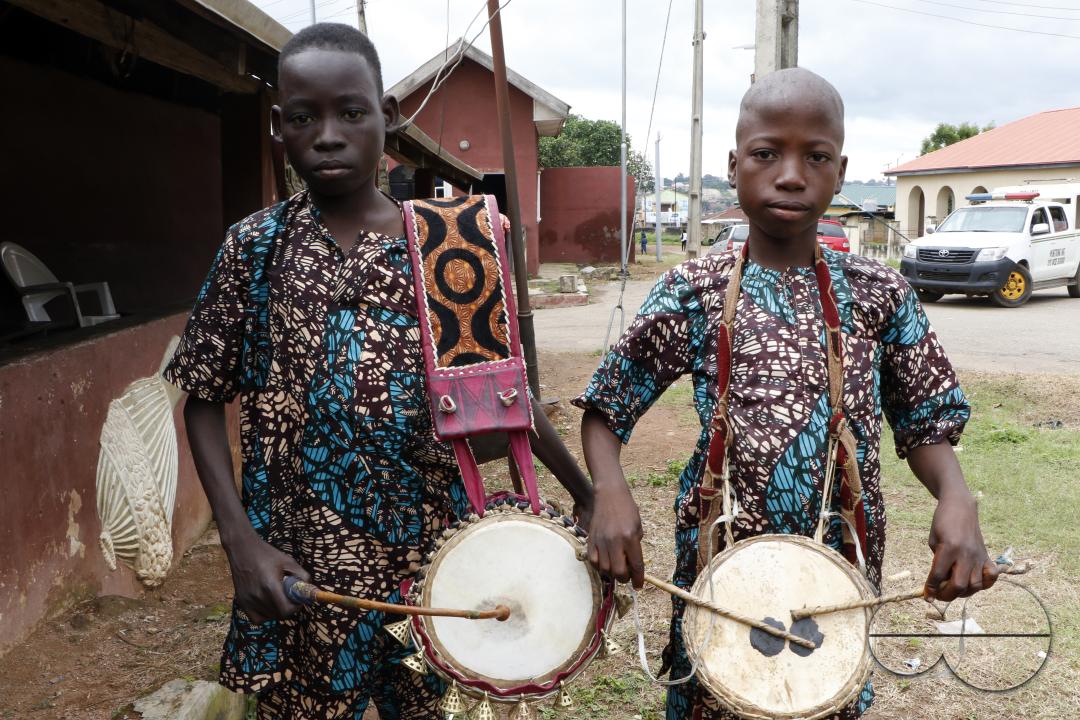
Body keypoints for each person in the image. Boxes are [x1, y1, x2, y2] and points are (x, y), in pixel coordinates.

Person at [165, 23, 593, 720]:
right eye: (304, 117)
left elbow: (505, 397)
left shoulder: (452, 247)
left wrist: (585, 489)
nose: (327, 134)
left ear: (388, 117)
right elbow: (202, 402)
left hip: (432, 567)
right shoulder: (254, 249)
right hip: (298, 573)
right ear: (278, 127)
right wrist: (241, 546)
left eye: (351, 113)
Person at [575, 68, 998, 719]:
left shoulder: (879, 293)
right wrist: (608, 490)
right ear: (735, 163)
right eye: (767, 153)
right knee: (713, 694)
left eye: (816, 156)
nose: (791, 174)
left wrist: (957, 497)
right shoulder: (695, 289)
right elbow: (608, 408)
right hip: (719, 571)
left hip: (836, 575)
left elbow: (926, 423)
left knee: (821, 697)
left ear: (840, 169)